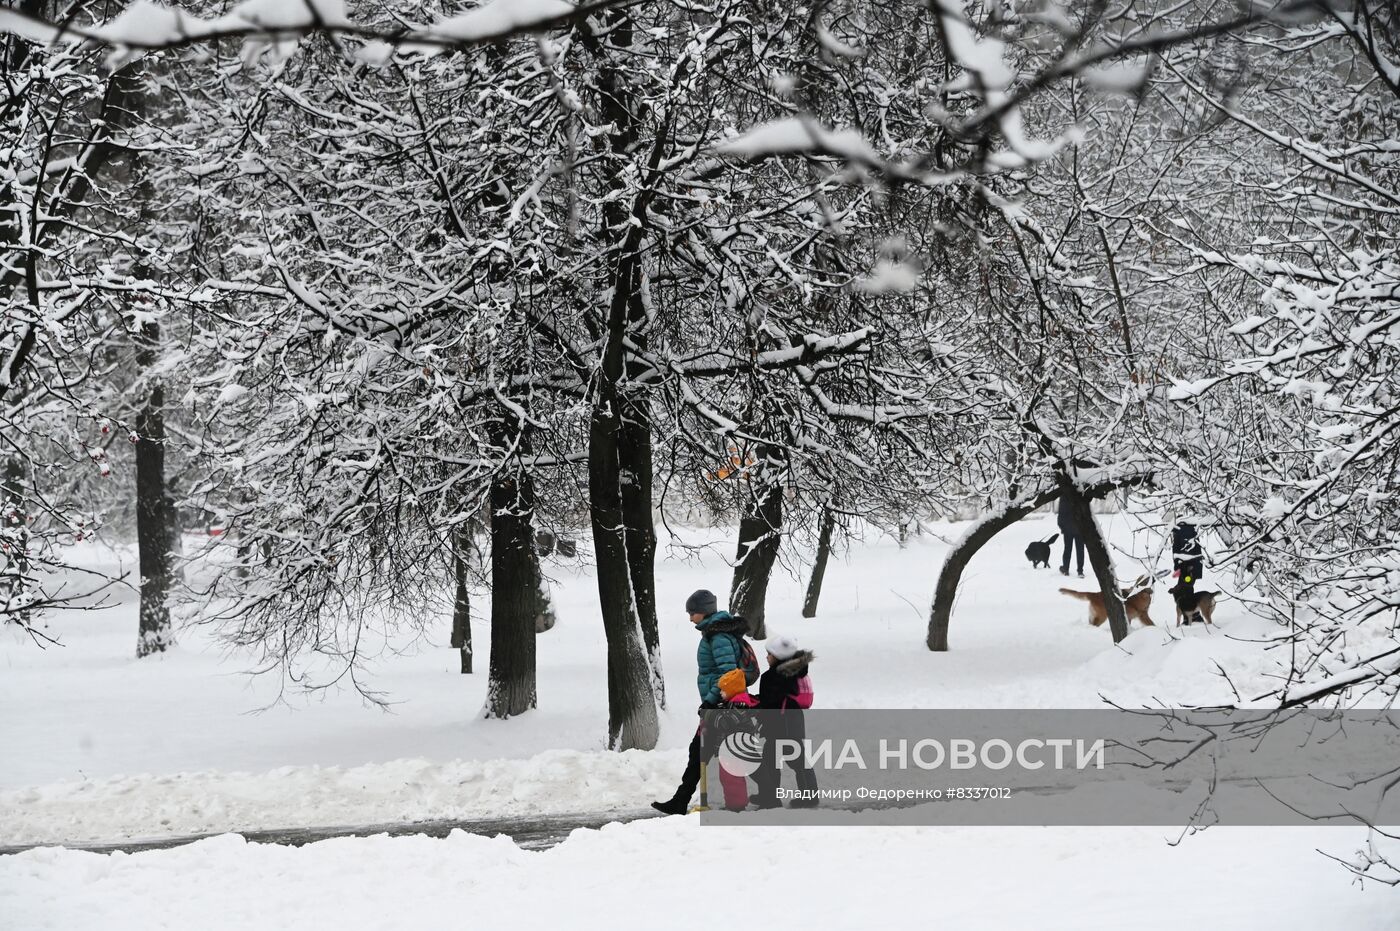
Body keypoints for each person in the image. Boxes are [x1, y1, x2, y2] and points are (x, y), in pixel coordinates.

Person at [651, 589, 759, 815]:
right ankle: (680, 801)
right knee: (699, 752)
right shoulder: (715, 633)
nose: (690, 617)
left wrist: (710, 701)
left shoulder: (718, 637)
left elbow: (728, 675)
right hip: (718, 705)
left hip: (721, 706)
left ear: (704, 611)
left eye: (693, 612)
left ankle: (751, 800)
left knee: (725, 753)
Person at [751, 635, 818, 809]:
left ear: (778, 656)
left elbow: (768, 701)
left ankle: (774, 797)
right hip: (792, 721)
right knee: (782, 759)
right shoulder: (794, 671)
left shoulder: (772, 676)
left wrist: (754, 705)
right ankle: (775, 795)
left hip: (780, 724)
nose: (766, 657)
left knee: (783, 760)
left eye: (769, 654)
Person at [1057, 494, 1086, 578]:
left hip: (1067, 529)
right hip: (1080, 528)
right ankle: (1080, 571)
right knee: (1080, 550)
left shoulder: (1064, 496)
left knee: (1067, 549)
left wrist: (1061, 526)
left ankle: (1066, 569)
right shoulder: (1080, 494)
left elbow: (1061, 513)